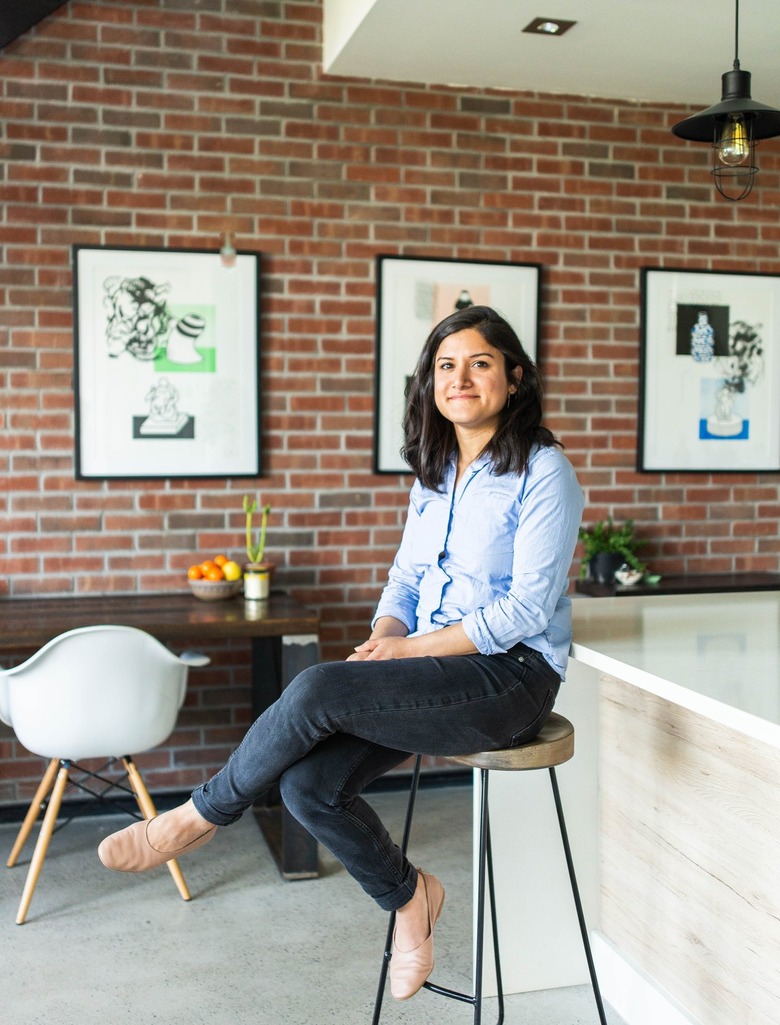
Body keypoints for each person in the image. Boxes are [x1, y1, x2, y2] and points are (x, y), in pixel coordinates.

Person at [98, 304, 584, 1002]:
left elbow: (524, 612)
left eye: (480, 362)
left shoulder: (546, 472)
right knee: (306, 786)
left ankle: (195, 817)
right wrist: (389, 633)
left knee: (321, 687)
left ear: (512, 377)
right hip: (434, 663)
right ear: (430, 383)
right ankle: (413, 899)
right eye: (447, 365)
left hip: (511, 678)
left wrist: (406, 649)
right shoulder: (438, 469)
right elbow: (407, 579)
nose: (461, 378)